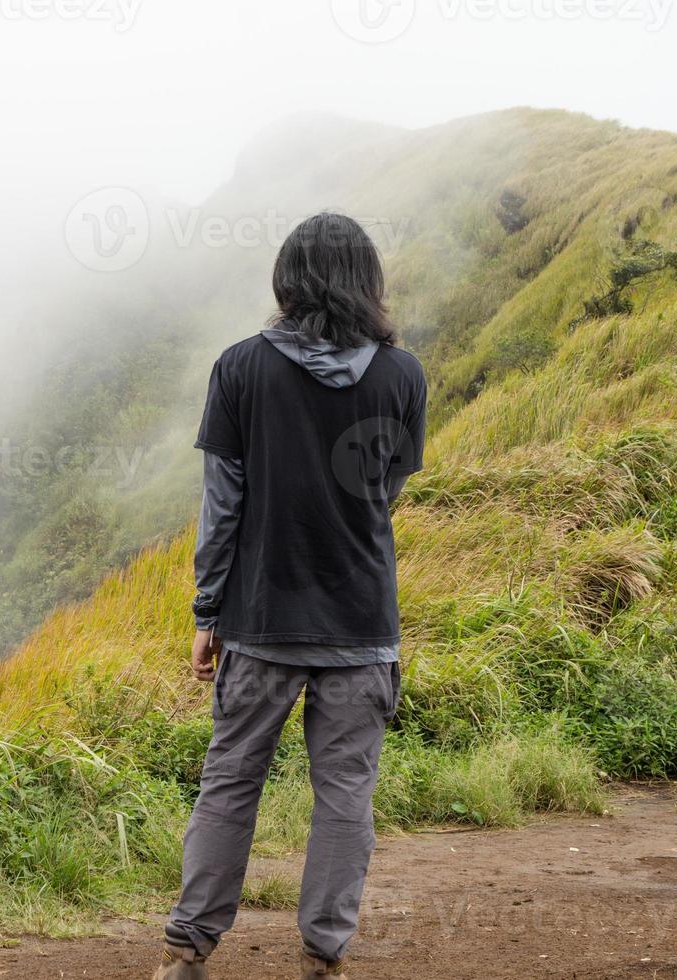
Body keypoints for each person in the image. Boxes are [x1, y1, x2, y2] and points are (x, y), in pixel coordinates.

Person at [154, 212, 428, 980]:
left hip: (259, 620)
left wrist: (208, 612)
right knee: (346, 795)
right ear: (368, 281)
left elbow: (223, 507)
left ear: (288, 277)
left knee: (230, 781)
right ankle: (324, 958)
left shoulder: (240, 367)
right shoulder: (403, 375)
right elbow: (386, 490)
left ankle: (187, 952)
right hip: (361, 622)